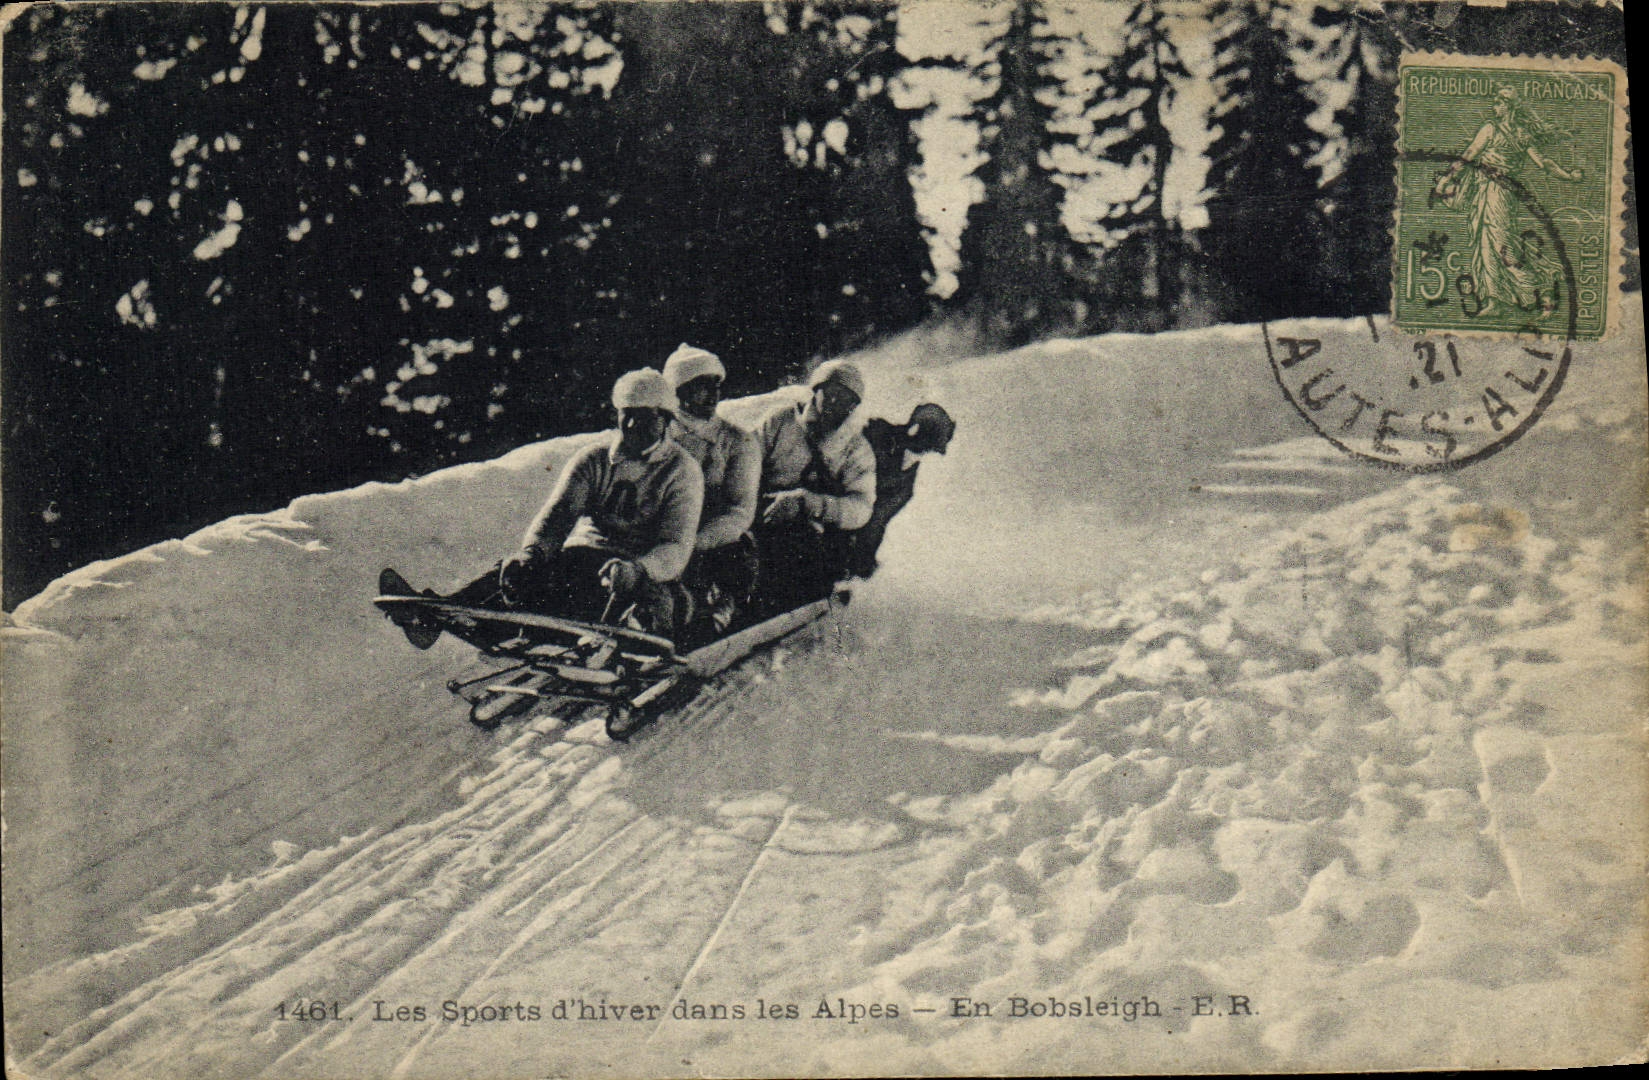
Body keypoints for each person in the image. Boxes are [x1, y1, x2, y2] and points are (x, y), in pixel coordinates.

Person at [381, 368, 703, 647]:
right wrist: (533, 553)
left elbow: (675, 544)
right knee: (523, 574)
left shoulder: (682, 471)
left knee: (647, 606)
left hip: (637, 572)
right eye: (625, 414)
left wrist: (639, 570)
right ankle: (440, 613)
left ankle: (617, 651)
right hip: (585, 559)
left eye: (643, 417)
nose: (631, 424)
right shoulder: (594, 459)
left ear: (664, 419)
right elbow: (559, 515)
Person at [1431, 86, 1584, 318]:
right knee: (1484, 244)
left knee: (1503, 245)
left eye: (1499, 102)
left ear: (1509, 107)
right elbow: (1469, 155)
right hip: (1484, 191)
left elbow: (1543, 163)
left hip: (1501, 193)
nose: (1495, 106)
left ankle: (1544, 291)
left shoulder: (1514, 134)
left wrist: (1568, 176)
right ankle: (1496, 300)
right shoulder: (1493, 129)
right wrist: (1447, 178)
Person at [752, 358, 875, 612]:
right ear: (815, 390)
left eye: (847, 400)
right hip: (761, 511)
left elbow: (861, 507)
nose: (835, 403)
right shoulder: (780, 422)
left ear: (854, 406)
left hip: (813, 531)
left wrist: (806, 503)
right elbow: (745, 464)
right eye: (830, 393)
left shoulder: (856, 449)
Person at [662, 343, 762, 637]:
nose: (714, 394)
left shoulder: (737, 441)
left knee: (736, 555)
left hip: (709, 540)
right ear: (678, 390)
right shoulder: (655, 432)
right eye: (702, 386)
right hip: (658, 534)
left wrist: (693, 543)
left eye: (716, 385)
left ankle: (716, 615)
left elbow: (739, 511)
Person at [851, 403, 955, 579]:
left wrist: (865, 560)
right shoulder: (876, 433)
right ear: (915, 431)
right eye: (928, 445)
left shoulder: (906, 485)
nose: (924, 452)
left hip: (851, 543)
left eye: (929, 448)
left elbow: (878, 521)